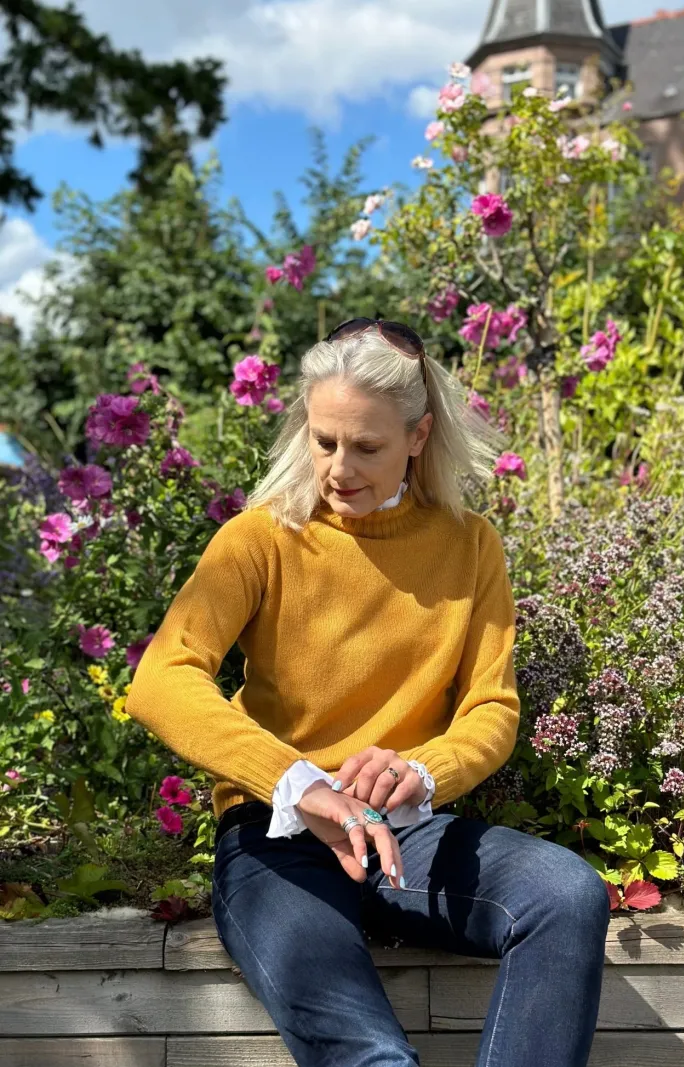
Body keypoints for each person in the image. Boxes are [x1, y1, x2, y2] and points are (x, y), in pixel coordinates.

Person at [126, 317, 610, 1067]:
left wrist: (423, 770)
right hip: (276, 835)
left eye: (366, 447)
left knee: (567, 894)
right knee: (371, 1057)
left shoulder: (469, 544)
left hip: (402, 832)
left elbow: (491, 707)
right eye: (323, 441)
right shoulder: (259, 539)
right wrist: (298, 782)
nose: (338, 467)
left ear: (418, 436)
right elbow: (162, 678)